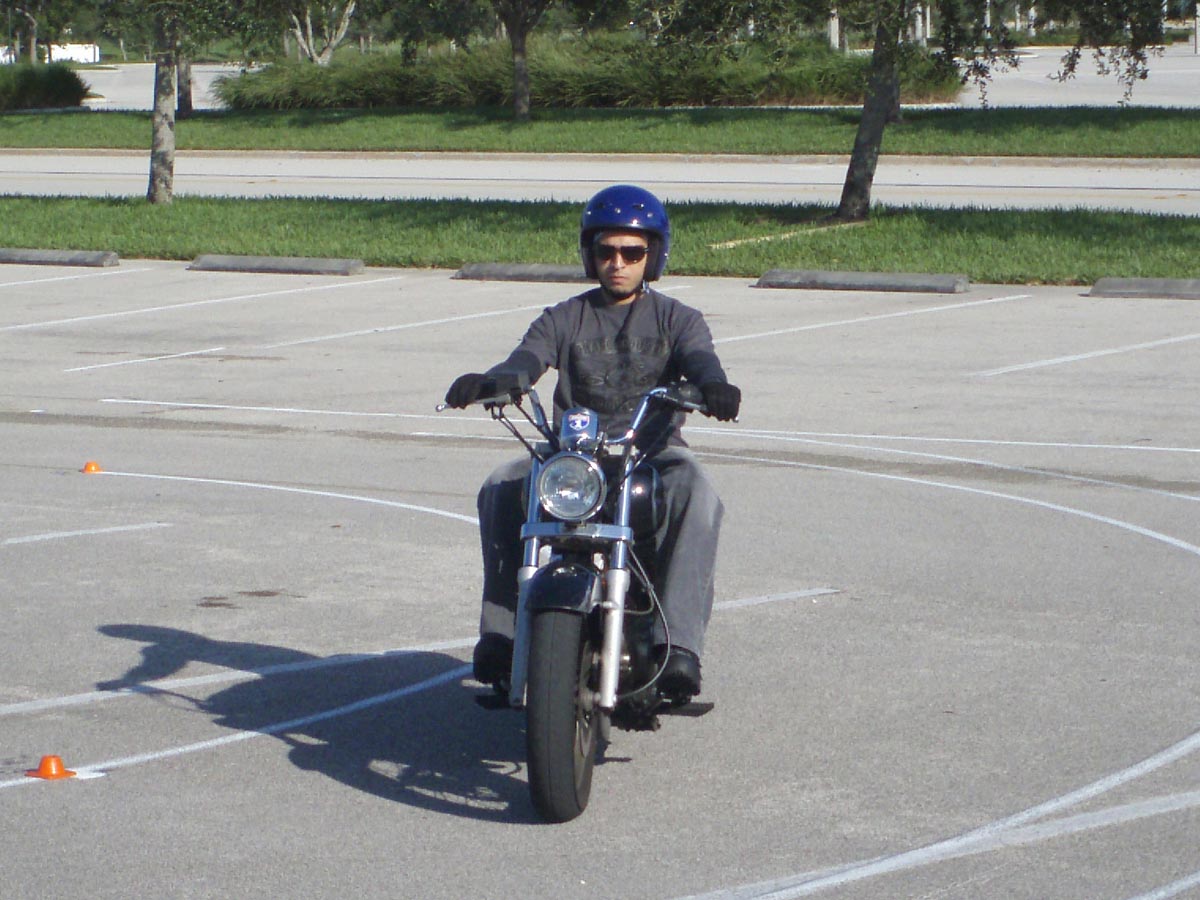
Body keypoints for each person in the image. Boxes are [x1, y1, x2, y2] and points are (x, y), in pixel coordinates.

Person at [443, 184, 740, 702]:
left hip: (652, 452)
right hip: (573, 455)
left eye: (632, 252)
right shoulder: (565, 316)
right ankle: (502, 633)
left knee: (697, 491)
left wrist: (712, 384)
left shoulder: (678, 319)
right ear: (590, 254)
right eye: (606, 251)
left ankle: (678, 645)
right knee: (501, 484)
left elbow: (700, 359)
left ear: (654, 255)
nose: (617, 263)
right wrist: (495, 381)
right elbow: (527, 359)